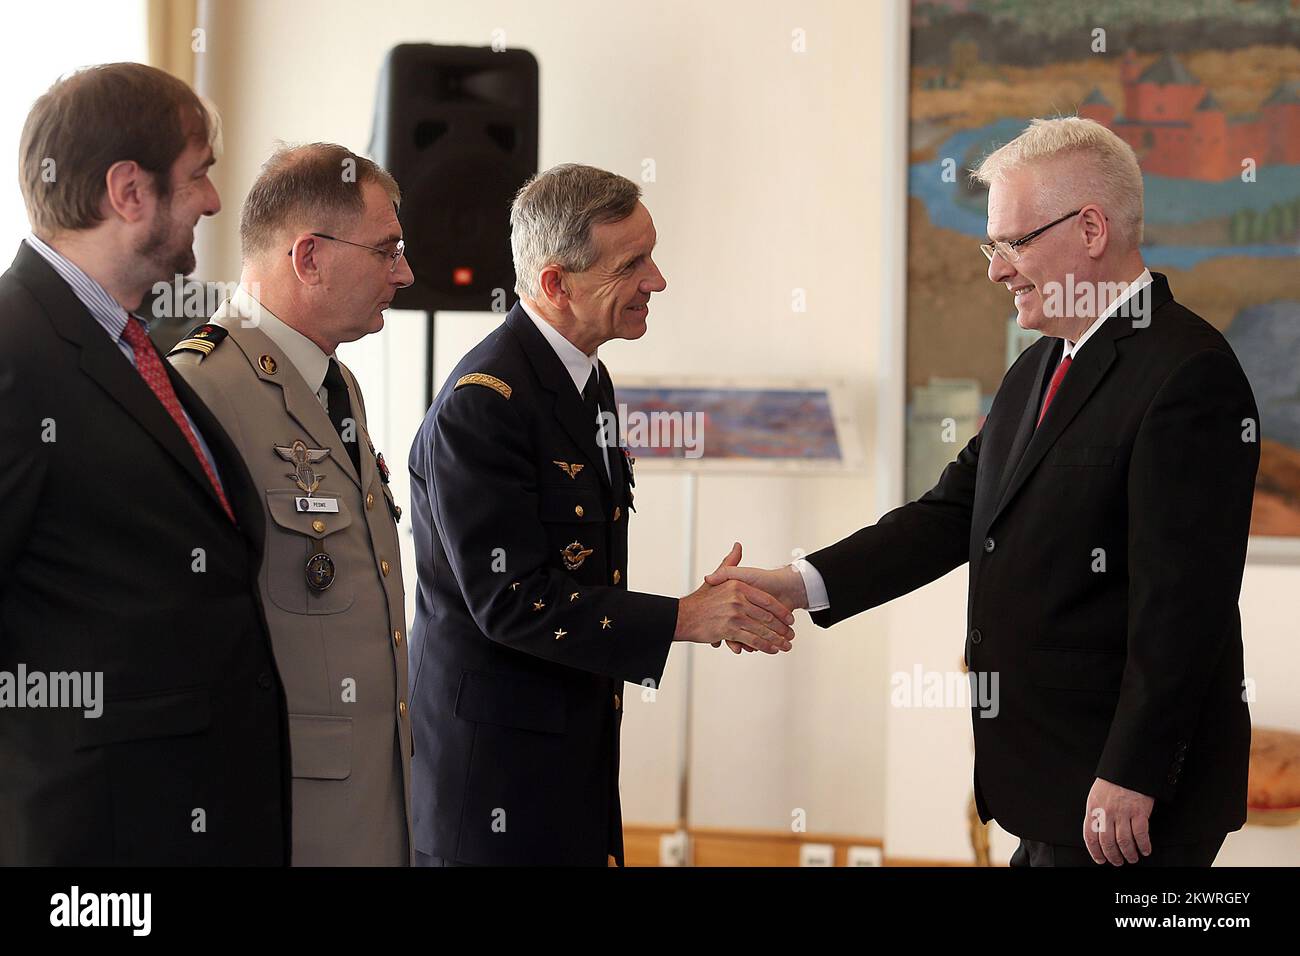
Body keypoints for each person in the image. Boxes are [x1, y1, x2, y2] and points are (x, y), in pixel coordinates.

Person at [709, 118, 1260, 868]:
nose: (996, 269)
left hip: (1128, 804)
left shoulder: (1188, 373)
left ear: (1091, 228)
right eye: (990, 245)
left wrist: (1132, 771)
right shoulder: (1034, 370)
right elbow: (948, 517)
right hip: (1050, 786)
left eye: (1012, 242)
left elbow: (1183, 607)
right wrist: (795, 583)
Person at [407, 163, 796, 866]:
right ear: (557, 284)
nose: (658, 280)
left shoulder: (584, 375)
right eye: (633, 263)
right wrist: (685, 616)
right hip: (496, 780)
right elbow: (512, 600)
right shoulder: (483, 404)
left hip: (569, 747)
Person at [0, 63, 289, 864]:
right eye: (198, 174)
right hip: (99, 843)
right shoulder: (15, 348)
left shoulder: (142, 343)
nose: (213, 201)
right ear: (129, 191)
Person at [168, 143, 415, 865]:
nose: (404, 273)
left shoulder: (339, 384)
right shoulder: (202, 390)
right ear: (308, 257)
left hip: (374, 790)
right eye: (387, 250)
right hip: (286, 807)